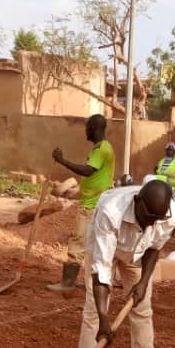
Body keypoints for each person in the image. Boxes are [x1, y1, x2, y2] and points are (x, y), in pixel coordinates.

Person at [71, 178, 175, 348]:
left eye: (155, 220)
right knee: (93, 313)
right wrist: (104, 319)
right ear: (137, 201)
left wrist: (143, 282)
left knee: (142, 309)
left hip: (137, 254)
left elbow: (154, 247)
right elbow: (101, 271)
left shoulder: (169, 214)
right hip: (106, 250)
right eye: (147, 216)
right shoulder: (110, 212)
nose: (151, 224)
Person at [48, 114, 116, 293]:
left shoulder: (102, 149)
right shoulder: (100, 148)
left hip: (91, 205)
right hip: (96, 203)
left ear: (93, 128)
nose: (85, 131)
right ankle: (90, 281)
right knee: (93, 244)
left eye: (87, 127)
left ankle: (67, 283)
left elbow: (87, 171)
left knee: (78, 241)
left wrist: (63, 161)